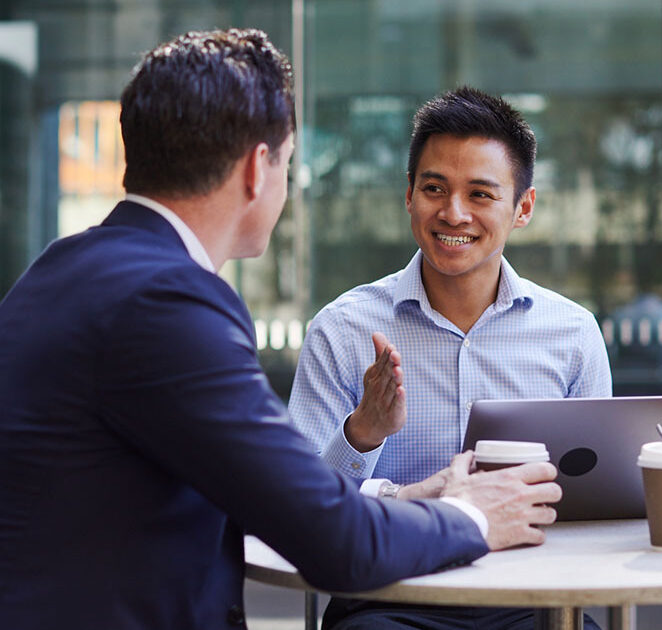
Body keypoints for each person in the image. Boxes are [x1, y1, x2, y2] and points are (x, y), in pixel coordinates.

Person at [0, 30, 560, 630]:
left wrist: (413, 496)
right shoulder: (169, 303)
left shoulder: (57, 271)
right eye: (290, 164)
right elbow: (330, 539)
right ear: (256, 168)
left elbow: (265, 492)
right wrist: (473, 515)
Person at [288, 87, 612, 629]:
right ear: (409, 195)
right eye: (434, 188)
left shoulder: (572, 334)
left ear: (523, 208)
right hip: (388, 600)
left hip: (530, 599)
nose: (453, 213)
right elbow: (298, 509)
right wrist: (361, 433)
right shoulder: (343, 331)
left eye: (480, 194)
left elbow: (598, 499)